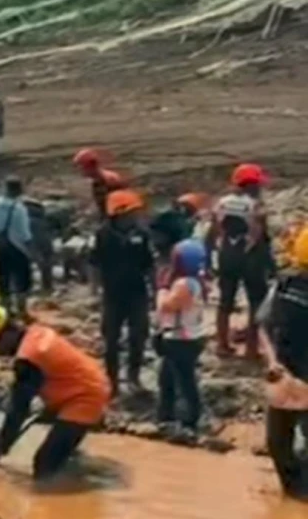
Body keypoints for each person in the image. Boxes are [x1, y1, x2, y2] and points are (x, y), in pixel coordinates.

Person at [0, 306, 111, 482]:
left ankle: (73, 481)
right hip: (89, 381)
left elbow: (18, 410)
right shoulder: (36, 332)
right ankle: (70, 456)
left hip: (85, 396)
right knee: (57, 441)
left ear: (5, 334)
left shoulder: (28, 359)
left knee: (43, 465)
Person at [257, 225, 308, 499]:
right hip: (286, 375)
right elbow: (264, 325)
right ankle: (293, 495)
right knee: (277, 443)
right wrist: (272, 361)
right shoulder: (284, 286)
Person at [90, 189, 154, 396]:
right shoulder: (103, 235)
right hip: (112, 294)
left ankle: (133, 377)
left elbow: (149, 264)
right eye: (131, 212)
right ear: (118, 214)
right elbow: (94, 263)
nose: (134, 216)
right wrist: (95, 289)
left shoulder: (141, 235)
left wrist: (155, 289)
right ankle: (112, 381)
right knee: (111, 339)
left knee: (139, 335)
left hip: (137, 293)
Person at [206, 163, 272, 358]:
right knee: (256, 302)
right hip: (250, 257)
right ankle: (252, 348)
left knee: (225, 301)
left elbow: (212, 232)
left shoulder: (222, 203)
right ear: (251, 185)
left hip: (227, 254)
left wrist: (209, 258)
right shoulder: (256, 206)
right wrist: (269, 264)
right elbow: (260, 235)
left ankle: (222, 345)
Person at [154, 239, 208, 437]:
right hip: (185, 336)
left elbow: (166, 306)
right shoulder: (196, 280)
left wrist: (161, 288)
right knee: (167, 378)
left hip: (181, 339)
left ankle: (189, 422)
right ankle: (166, 417)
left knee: (184, 381)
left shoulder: (185, 284)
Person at [0, 176, 35, 315]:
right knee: (22, 279)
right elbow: (25, 234)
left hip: (0, 247)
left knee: (3, 278)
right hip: (17, 248)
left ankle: (6, 309)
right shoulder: (20, 209)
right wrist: (32, 252)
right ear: (19, 191)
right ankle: (22, 309)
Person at [72, 148, 125, 219]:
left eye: (81, 167)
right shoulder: (96, 181)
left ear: (91, 165)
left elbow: (119, 207)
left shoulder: (110, 180)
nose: (80, 171)